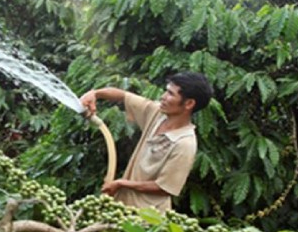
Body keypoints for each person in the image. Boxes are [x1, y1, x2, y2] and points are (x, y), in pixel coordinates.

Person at [79, 72, 213, 212]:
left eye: (170, 94)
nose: (163, 97)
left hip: (148, 217)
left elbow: (164, 188)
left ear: (189, 103)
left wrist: (122, 184)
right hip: (122, 207)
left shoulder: (184, 143)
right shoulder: (157, 114)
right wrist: (95, 93)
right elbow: (123, 96)